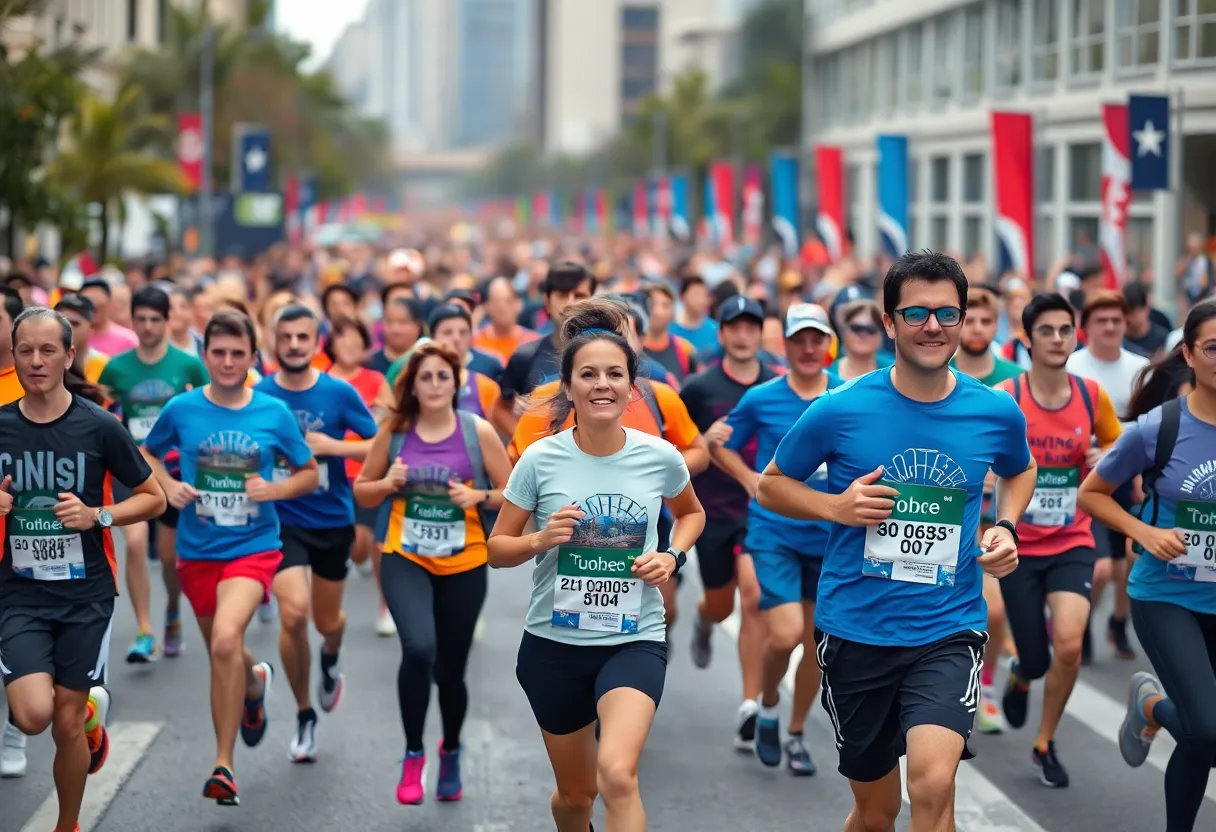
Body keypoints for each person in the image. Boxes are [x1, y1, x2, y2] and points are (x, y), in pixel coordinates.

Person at [756, 251, 1036, 832]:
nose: (933, 326)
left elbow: (1020, 469)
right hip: (856, 630)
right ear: (888, 323)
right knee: (877, 811)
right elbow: (772, 486)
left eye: (946, 314)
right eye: (915, 313)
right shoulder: (840, 408)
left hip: (947, 627)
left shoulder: (995, 410)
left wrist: (1006, 525)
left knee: (933, 786)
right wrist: (834, 506)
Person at [488, 298, 705, 832]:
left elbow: (691, 514)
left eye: (614, 374)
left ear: (633, 387)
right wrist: (543, 537)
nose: (601, 384)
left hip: (634, 638)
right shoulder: (541, 458)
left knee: (617, 775)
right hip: (554, 646)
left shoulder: (659, 456)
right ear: (568, 387)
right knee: (576, 796)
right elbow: (497, 550)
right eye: (588, 374)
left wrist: (671, 555)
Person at [141, 309, 319, 805]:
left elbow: (308, 473)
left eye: (237, 353)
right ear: (204, 356)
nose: (226, 361)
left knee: (223, 640)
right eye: (217, 352)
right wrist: (169, 484)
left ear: (252, 358)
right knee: (227, 651)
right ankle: (255, 682)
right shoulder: (181, 409)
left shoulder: (272, 413)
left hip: (253, 547)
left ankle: (223, 764)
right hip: (197, 550)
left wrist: (274, 488)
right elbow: (148, 453)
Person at [0, 307, 166, 832]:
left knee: (68, 721)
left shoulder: (98, 426)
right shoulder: (1, 425)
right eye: (26, 350)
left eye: (48, 350)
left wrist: (99, 515)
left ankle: (66, 825)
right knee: (31, 715)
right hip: (19, 592)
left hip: (85, 595)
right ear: (15, 355)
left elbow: (153, 498)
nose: (36, 360)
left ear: (70, 356)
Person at [1079, 298, 1216, 832]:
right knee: (1206, 730)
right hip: (1168, 596)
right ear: (1189, 354)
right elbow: (1093, 495)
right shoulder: (1158, 428)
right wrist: (1145, 532)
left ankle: (1154, 706)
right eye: (1213, 347)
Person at [354, 341, 511, 804]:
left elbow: (512, 491)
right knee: (419, 648)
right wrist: (388, 483)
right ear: (413, 386)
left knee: (451, 671)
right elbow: (363, 492)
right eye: (426, 377)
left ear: (457, 382)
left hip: (465, 561)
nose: (436, 384)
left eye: (444, 376)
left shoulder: (476, 431)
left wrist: (477, 498)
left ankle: (451, 749)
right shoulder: (397, 432)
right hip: (406, 556)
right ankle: (413, 752)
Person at [994, 292, 1123, 787]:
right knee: (1036, 652)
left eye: (1065, 330)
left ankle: (1044, 742)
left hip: (1072, 539)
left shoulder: (1092, 395)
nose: (1056, 338)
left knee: (1068, 645)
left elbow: (1115, 441)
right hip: (1017, 545)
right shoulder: (1008, 396)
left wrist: (1103, 458)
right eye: (1045, 330)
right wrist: (986, 475)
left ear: (1075, 336)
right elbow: (981, 450)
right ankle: (1023, 673)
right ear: (1027, 340)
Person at [711, 302, 842, 774]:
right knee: (784, 633)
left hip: (831, 537)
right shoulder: (762, 397)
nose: (808, 349)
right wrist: (749, 479)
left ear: (829, 345)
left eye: (817, 339)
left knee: (816, 644)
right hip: (775, 533)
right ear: (783, 346)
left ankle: (795, 733)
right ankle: (767, 706)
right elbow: (718, 444)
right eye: (799, 340)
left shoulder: (846, 397)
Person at [256, 306, 379, 763]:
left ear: (315, 341)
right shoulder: (261, 394)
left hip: (331, 518)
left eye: (301, 337)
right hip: (280, 517)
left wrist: (335, 447)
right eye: (285, 337)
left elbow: (378, 441)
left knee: (328, 621)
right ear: (274, 340)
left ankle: (331, 652)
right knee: (293, 614)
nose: (292, 345)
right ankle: (305, 713)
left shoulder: (338, 392)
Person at [680, 295, 778, 753]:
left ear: (761, 334)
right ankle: (704, 619)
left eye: (750, 327)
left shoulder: (778, 384)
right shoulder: (700, 388)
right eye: (733, 327)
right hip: (713, 512)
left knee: (754, 595)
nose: (742, 335)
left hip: (763, 512)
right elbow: (675, 450)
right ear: (720, 335)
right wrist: (704, 439)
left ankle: (749, 705)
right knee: (722, 605)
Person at [99, 285, 208, 663]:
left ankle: (173, 611)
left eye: (154, 319)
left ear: (167, 320)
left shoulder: (188, 365)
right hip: (129, 470)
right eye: (140, 319)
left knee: (167, 557)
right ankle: (145, 631)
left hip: (172, 470)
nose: (147, 326)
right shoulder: (117, 367)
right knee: (132, 542)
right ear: (131, 319)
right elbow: (105, 414)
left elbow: (205, 413)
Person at [949, 286, 1024, 734]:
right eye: (969, 320)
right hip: (949, 510)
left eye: (984, 321)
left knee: (994, 611)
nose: (976, 328)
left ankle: (988, 683)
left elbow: (1023, 456)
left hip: (992, 515)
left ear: (995, 326)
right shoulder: (939, 369)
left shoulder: (1012, 378)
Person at [1068, 290, 1149, 662]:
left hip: (1130, 478)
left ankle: (1118, 622)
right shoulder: (1073, 368)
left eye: (1117, 320)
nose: (1111, 327)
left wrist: (1118, 446)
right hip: (1087, 481)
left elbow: (1152, 423)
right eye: (1102, 321)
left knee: (1131, 558)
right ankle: (1080, 624)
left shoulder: (1139, 368)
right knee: (1101, 568)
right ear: (1086, 328)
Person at [323, 316, 395, 633]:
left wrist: (337, 446)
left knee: (376, 542)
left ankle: (385, 607)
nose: (350, 346)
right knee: (356, 545)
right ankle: (359, 558)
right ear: (331, 345)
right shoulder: (320, 383)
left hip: (370, 473)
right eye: (343, 339)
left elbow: (385, 433)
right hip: (331, 478)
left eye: (356, 340)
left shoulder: (376, 380)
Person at [493, 262, 596, 435]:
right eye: (562, 295)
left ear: (592, 301)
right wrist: (525, 444)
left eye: (579, 295)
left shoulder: (611, 356)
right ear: (547, 301)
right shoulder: (525, 356)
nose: (570, 303)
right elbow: (500, 410)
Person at [472, 276, 539, 364]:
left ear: (518, 304)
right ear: (487, 306)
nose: (502, 308)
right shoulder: (475, 343)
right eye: (496, 302)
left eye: (508, 301)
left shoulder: (533, 342)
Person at [80, 278, 138, 357]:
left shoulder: (128, 341)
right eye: (88, 307)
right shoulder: (74, 337)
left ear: (110, 304)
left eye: (98, 307)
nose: (93, 312)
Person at [670, 275, 719, 354]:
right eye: (696, 295)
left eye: (705, 295)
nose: (702, 300)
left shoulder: (716, 330)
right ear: (681, 296)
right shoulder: (670, 330)